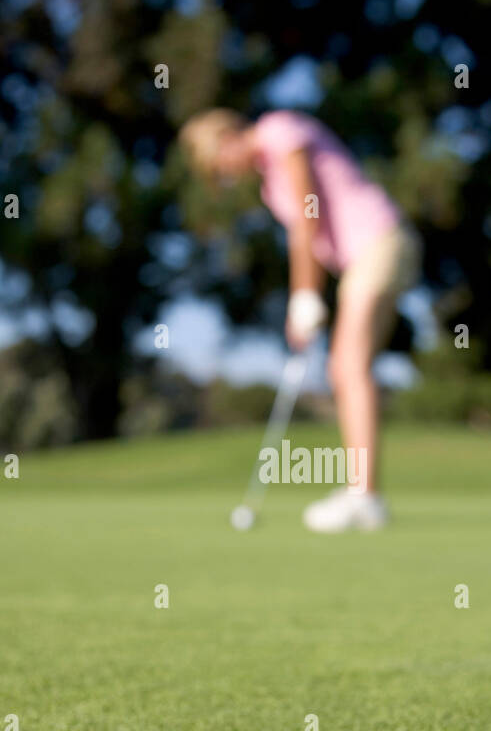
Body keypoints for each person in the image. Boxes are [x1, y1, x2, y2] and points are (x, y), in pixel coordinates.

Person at [180, 108, 420, 531]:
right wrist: (306, 302)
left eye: (221, 165)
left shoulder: (278, 131)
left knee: (349, 365)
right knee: (344, 367)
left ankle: (365, 497)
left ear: (227, 138)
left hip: (380, 241)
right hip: (365, 254)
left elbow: (308, 217)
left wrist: (305, 296)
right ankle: (363, 491)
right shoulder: (271, 186)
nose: (229, 175)